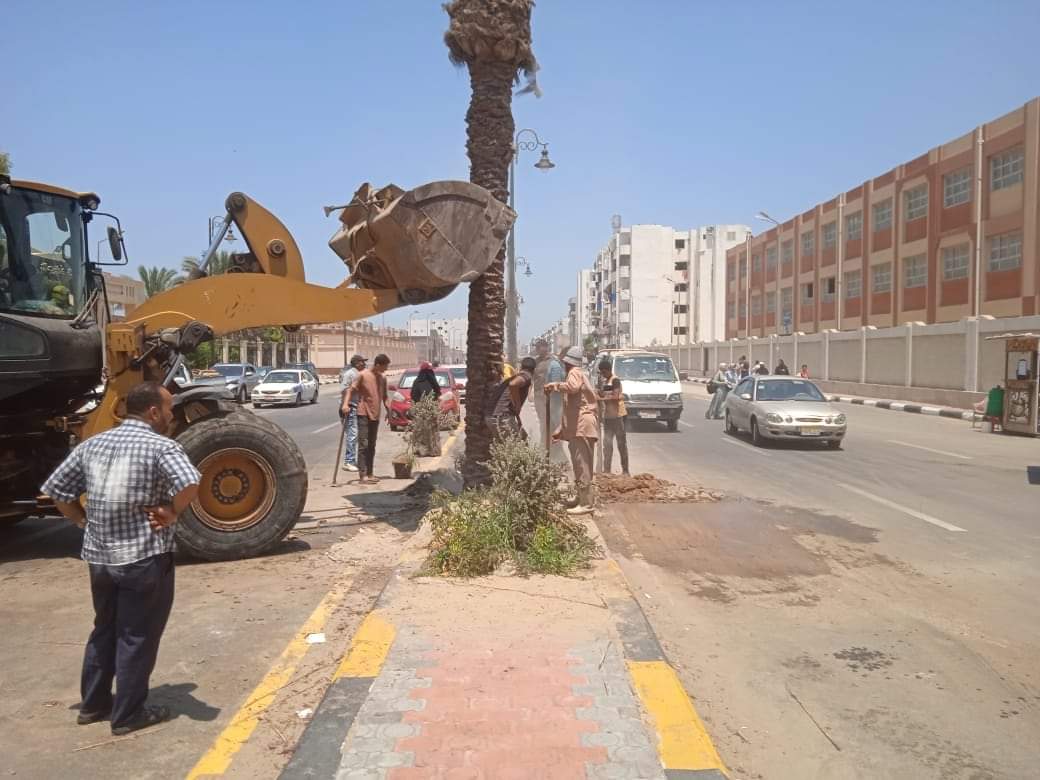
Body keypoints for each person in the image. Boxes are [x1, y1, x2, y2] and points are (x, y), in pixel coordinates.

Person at [41, 381, 200, 736]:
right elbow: (191, 483)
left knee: (105, 629)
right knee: (136, 636)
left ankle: (93, 705)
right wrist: (172, 511)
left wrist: (82, 521)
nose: (171, 415)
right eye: (169, 409)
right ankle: (128, 714)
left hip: (100, 560)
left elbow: (56, 491)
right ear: (154, 412)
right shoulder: (162, 446)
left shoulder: (93, 444)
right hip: (143, 559)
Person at [545, 346, 600, 514]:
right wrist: (561, 429)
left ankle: (586, 504)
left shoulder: (574, 372)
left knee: (582, 465)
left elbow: (573, 387)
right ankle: (582, 498)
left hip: (582, 427)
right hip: (580, 425)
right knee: (580, 464)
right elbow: (571, 409)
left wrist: (555, 385)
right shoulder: (577, 372)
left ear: (567, 362)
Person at [345, 353, 390, 484]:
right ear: (378, 364)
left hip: (375, 414)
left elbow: (385, 397)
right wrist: (345, 405)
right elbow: (350, 390)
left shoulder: (382, 378)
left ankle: (370, 473)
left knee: (372, 445)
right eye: (385, 367)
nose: (386, 369)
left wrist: (389, 410)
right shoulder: (363, 375)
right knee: (363, 444)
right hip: (363, 413)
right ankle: (363, 475)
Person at [531, 339, 566, 460]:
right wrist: (530, 393)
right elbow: (532, 378)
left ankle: (553, 450)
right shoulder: (535, 362)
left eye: (539, 347)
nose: (537, 349)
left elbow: (559, 381)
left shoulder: (553, 362)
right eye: (536, 347)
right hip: (539, 397)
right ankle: (546, 448)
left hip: (551, 399)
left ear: (545, 347)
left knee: (552, 424)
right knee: (543, 423)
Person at [486, 356, 535, 439]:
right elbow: (513, 385)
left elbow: (508, 401)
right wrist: (517, 404)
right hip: (502, 417)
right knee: (519, 443)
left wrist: (517, 417)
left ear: (521, 367)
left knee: (522, 438)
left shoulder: (514, 377)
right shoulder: (526, 375)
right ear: (534, 370)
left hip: (491, 416)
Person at [597, 358, 629, 475]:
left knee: (621, 444)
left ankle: (625, 471)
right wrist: (599, 391)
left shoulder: (615, 380)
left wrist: (601, 398)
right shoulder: (606, 382)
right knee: (607, 444)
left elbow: (615, 397)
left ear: (607, 370)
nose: (602, 374)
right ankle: (607, 471)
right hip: (608, 417)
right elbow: (603, 394)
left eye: (603, 372)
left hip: (618, 416)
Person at [338, 354, 366, 472]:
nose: (364, 364)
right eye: (362, 362)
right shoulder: (350, 374)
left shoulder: (359, 373)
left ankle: (352, 460)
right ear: (357, 363)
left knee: (356, 434)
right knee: (352, 434)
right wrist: (346, 405)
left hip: (357, 407)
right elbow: (344, 390)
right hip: (350, 407)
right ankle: (348, 461)